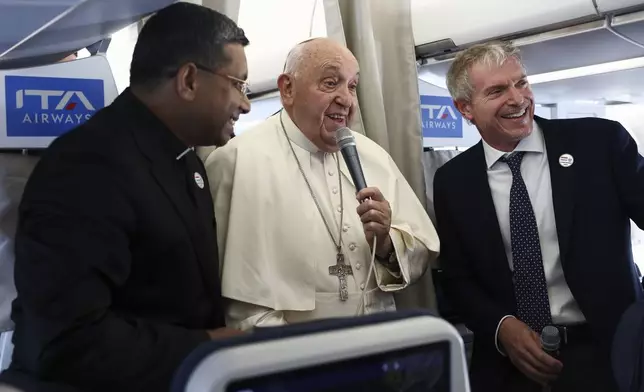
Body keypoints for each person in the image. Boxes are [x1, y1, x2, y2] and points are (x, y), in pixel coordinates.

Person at [0, 3, 251, 392]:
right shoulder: (87, 166)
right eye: (238, 83)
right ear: (188, 80)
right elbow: (66, 341)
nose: (246, 103)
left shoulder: (188, 165)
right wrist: (204, 347)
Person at [433, 41, 644, 392]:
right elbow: (457, 277)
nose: (517, 99)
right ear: (465, 108)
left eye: (522, 82)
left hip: (608, 353)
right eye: (498, 90)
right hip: (509, 365)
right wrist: (501, 327)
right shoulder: (453, 180)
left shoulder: (599, 143)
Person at [205, 38, 439, 330]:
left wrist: (386, 244)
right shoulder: (238, 160)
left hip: (379, 344)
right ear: (287, 88)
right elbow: (243, 307)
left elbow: (422, 252)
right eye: (331, 83)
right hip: (295, 358)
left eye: (352, 86)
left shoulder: (371, 155)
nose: (347, 99)